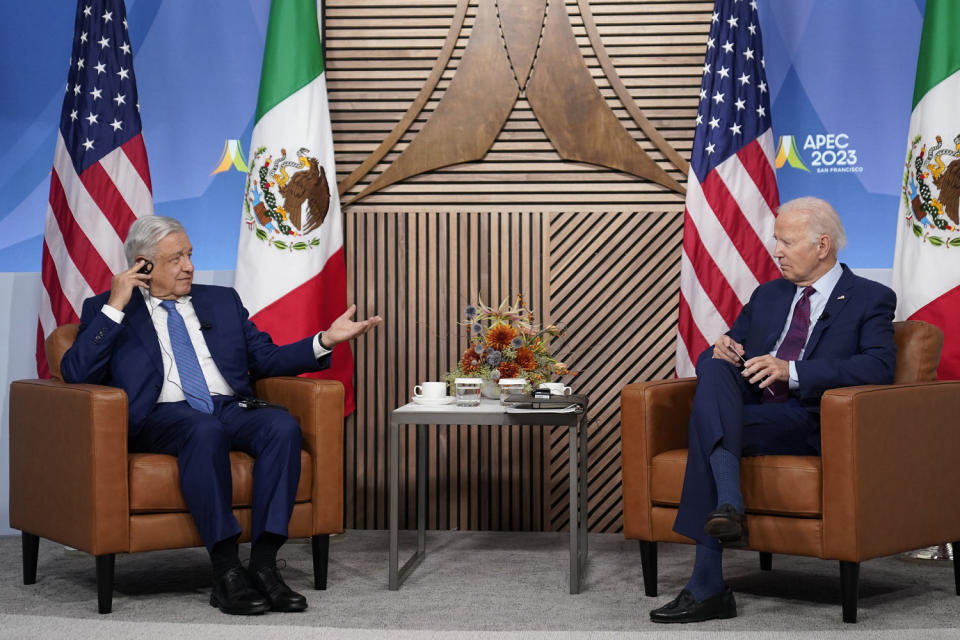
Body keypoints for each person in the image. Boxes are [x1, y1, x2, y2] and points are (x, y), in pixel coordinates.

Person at [60, 216, 382, 616]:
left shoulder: (221, 301)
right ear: (143, 265)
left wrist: (325, 340)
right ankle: (226, 569)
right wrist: (115, 306)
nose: (189, 266)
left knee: (281, 425)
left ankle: (264, 565)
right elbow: (76, 373)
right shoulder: (109, 310)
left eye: (190, 255)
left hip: (228, 406)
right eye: (176, 258)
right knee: (203, 428)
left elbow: (266, 358)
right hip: (162, 416)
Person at [650, 197, 896, 623]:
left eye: (786, 242)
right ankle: (728, 506)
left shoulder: (869, 297)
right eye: (775, 241)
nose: (776, 251)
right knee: (713, 364)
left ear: (822, 245)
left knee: (706, 426)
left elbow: (878, 366)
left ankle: (708, 584)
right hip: (750, 409)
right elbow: (732, 351)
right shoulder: (768, 294)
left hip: (809, 416)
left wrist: (793, 370)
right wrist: (721, 347)